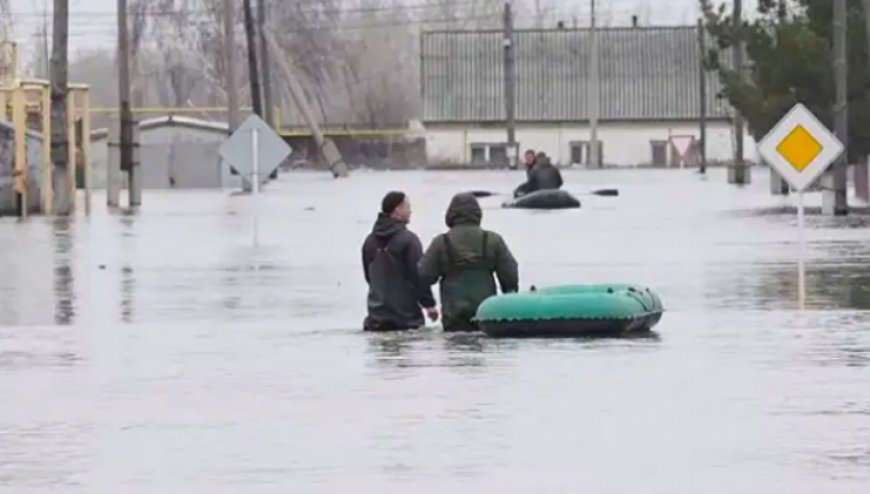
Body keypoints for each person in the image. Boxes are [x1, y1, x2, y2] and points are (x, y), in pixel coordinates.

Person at [418, 192, 519, 332]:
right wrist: (509, 295)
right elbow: (510, 273)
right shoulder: (493, 240)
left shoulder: (441, 242)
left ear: (450, 214)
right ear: (478, 214)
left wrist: (428, 303)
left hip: (453, 316)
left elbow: (423, 275)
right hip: (486, 313)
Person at [362, 191, 439, 331]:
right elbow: (418, 276)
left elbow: (369, 277)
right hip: (406, 320)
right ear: (397, 210)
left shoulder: (369, 242)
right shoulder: (409, 240)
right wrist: (429, 305)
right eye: (407, 207)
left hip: (376, 319)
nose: (410, 211)